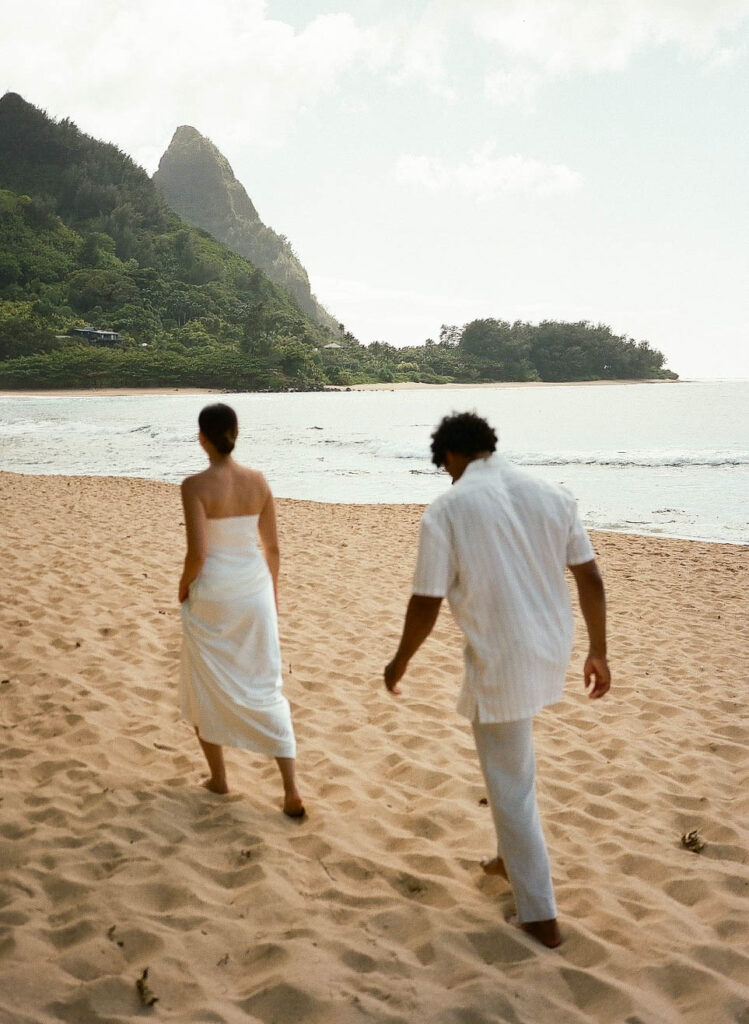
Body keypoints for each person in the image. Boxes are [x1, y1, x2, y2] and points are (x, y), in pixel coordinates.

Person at [384, 412, 610, 948]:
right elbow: (591, 578)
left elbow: (426, 600)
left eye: (445, 467)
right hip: (551, 647)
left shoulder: (448, 508)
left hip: (501, 659)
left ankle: (539, 917)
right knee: (515, 769)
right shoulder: (554, 492)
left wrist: (400, 661)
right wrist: (599, 651)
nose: (448, 476)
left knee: (511, 786)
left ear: (452, 457)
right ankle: (509, 862)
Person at [179, 402, 304, 817]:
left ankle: (219, 779)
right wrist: (274, 592)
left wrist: (183, 586)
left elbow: (198, 553)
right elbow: (274, 547)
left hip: (214, 592)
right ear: (236, 433)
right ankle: (290, 789)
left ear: (202, 437)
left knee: (205, 684)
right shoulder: (258, 481)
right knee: (264, 684)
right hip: (254, 592)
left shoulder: (194, 486)